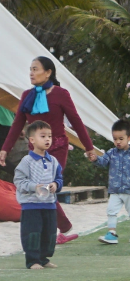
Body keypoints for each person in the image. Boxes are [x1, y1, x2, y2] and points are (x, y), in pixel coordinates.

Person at [1, 56, 96, 245]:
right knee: (42, 190)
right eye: (30, 69)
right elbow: (17, 123)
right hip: (35, 153)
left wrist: (89, 147)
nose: (31, 73)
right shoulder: (27, 95)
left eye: (35, 69)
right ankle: (61, 228)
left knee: (48, 185)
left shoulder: (61, 94)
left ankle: (61, 228)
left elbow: (76, 121)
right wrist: (4, 149)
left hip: (58, 148)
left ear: (48, 72)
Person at [14, 121, 63, 269]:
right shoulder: (26, 161)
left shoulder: (53, 160)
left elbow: (59, 177)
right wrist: (34, 187)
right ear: (32, 140)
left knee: (49, 233)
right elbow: (19, 180)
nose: (48, 139)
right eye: (43, 136)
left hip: (49, 204)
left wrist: (56, 184)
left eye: (49, 136)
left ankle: (43, 258)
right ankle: (33, 261)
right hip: (31, 205)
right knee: (32, 233)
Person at [93, 119, 130, 245]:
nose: (118, 142)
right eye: (115, 139)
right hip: (115, 190)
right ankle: (111, 233)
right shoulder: (111, 153)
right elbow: (103, 162)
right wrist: (95, 159)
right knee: (111, 211)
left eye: (121, 139)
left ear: (129, 138)